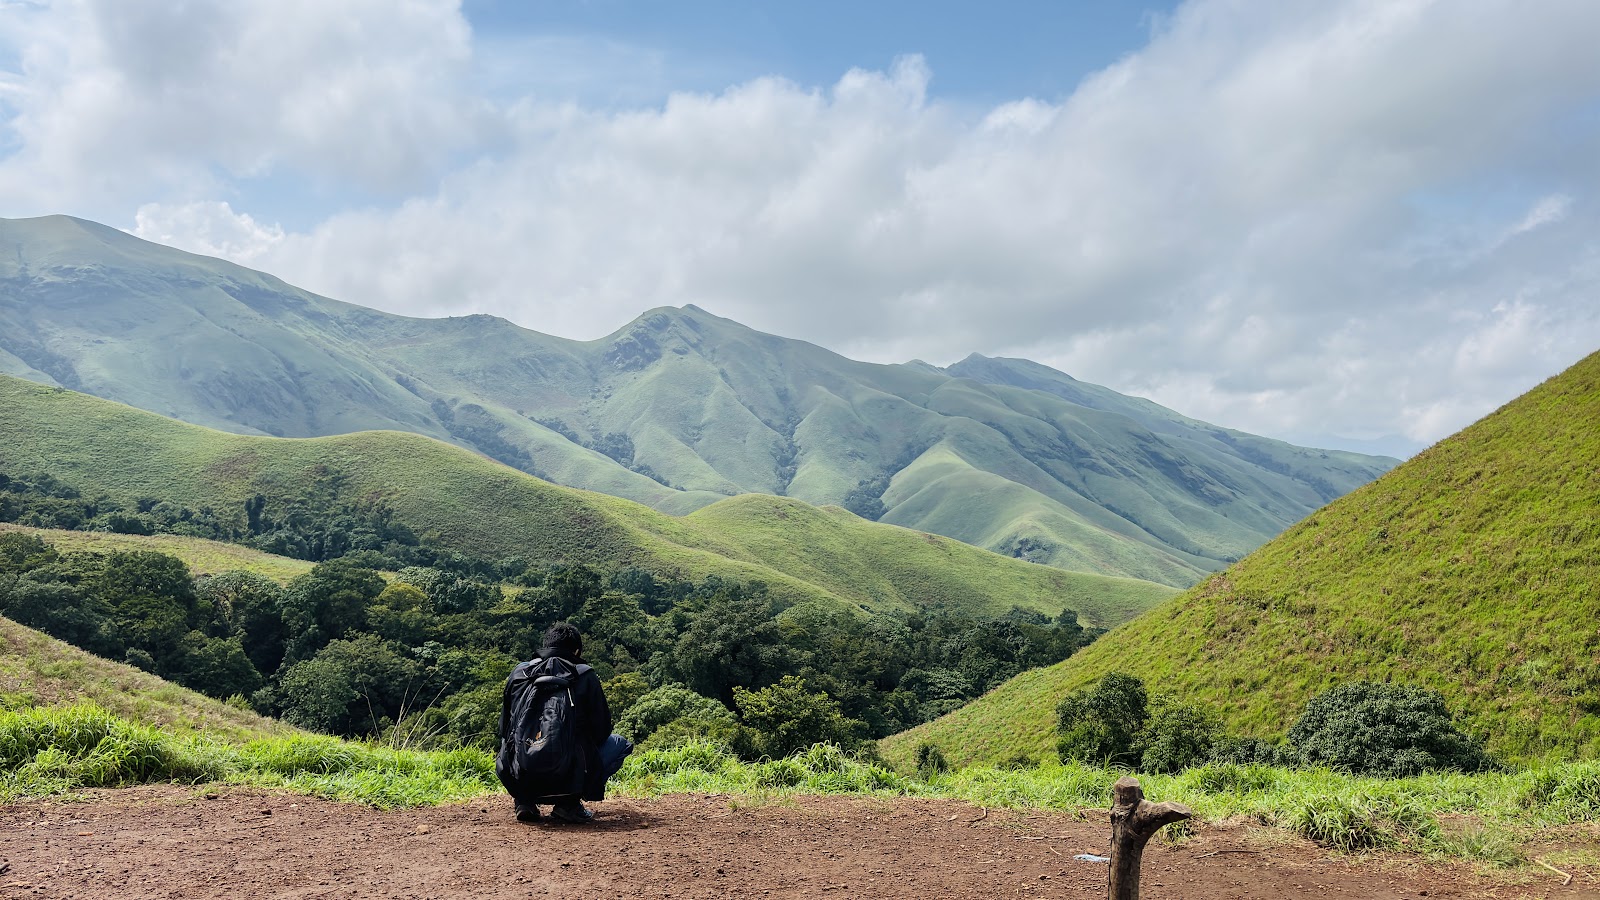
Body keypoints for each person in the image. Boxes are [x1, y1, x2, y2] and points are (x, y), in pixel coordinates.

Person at [496, 622, 633, 824]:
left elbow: (503, 728)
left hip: (522, 775)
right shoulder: (585, 675)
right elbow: (602, 730)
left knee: (508, 742)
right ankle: (569, 804)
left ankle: (524, 802)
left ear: (545, 645)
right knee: (620, 744)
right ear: (576, 651)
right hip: (569, 775)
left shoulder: (519, 674)